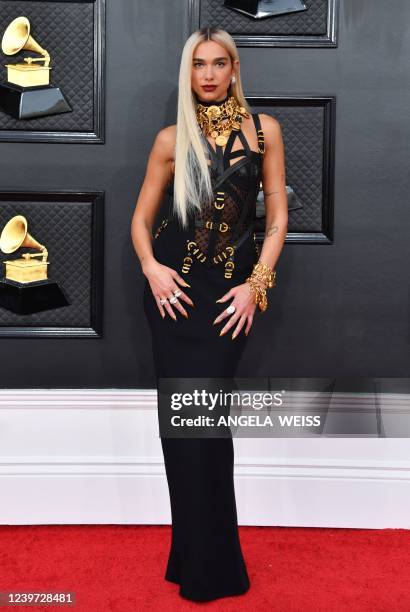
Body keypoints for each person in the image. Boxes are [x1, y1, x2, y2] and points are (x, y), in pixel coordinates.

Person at [130, 26, 288, 602]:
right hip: (174, 299)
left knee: (207, 430)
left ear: (235, 68)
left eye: (220, 63)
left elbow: (275, 220)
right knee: (182, 433)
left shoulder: (265, 131)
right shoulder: (171, 138)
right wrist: (151, 268)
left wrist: (256, 285)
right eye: (199, 64)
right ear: (188, 72)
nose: (209, 74)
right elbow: (140, 223)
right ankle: (190, 558)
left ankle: (213, 565)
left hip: (227, 302)